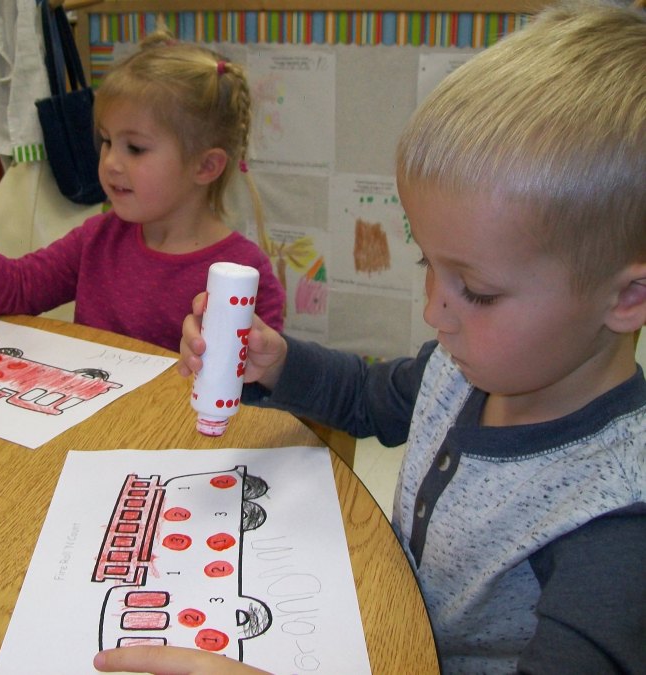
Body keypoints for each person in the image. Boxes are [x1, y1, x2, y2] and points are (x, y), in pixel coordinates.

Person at [97, 1, 646, 673]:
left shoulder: (616, 522)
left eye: (476, 290)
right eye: (427, 263)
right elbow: (367, 396)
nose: (434, 310)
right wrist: (275, 362)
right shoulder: (462, 367)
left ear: (628, 297)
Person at [0, 31, 284, 352]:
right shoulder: (98, 238)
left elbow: (259, 400)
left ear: (206, 166)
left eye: (135, 148)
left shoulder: (245, 275)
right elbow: (15, 289)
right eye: (107, 141)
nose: (110, 162)